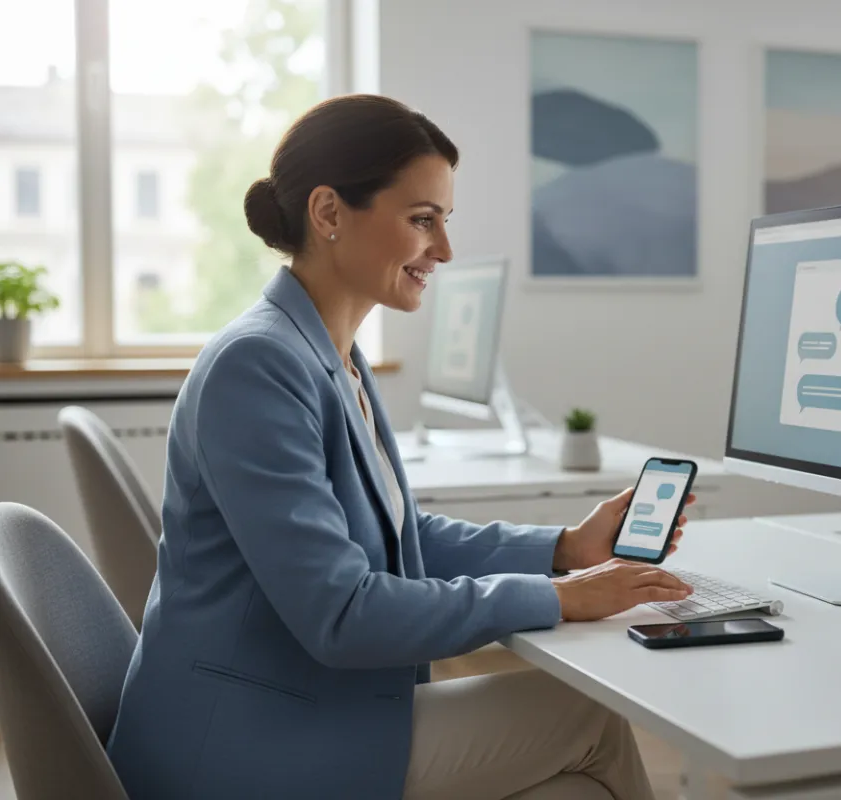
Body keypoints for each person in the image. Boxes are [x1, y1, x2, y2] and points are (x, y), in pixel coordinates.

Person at [105, 94, 695, 800]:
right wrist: (557, 598)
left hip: (302, 708)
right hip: (237, 744)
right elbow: (342, 615)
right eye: (423, 220)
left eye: (444, 222)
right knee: (588, 720)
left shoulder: (330, 354)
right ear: (328, 215)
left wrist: (565, 548)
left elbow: (400, 540)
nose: (443, 250)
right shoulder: (257, 367)